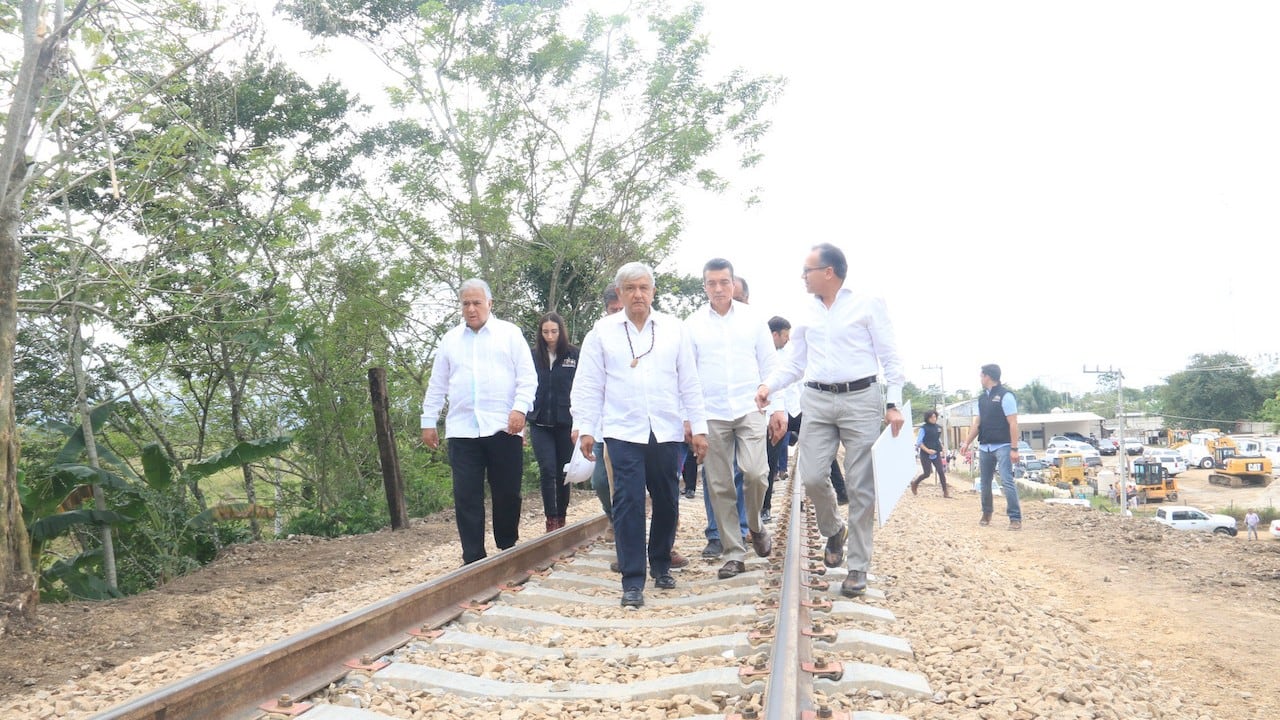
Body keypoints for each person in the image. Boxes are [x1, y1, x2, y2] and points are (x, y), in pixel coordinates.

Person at [756, 243, 905, 598]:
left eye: (807, 271)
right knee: (811, 474)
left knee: (859, 484)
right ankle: (834, 529)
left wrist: (894, 403)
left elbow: (890, 357)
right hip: (818, 399)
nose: (802, 278)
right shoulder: (806, 312)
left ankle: (857, 567)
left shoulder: (868, 304)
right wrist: (769, 385)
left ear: (828, 272)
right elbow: (794, 363)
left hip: (861, 398)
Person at [572, 262, 709, 608]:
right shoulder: (601, 333)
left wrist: (700, 428)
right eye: (630, 288)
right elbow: (588, 384)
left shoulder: (674, 329)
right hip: (622, 430)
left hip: (665, 429)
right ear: (619, 293)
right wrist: (586, 427)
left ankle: (661, 563)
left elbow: (690, 382)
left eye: (643, 288)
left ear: (652, 292)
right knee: (628, 502)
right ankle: (632, 580)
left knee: (667, 499)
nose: (637, 295)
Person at [421, 278, 537, 565]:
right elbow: (438, 383)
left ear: (490, 304)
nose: (471, 309)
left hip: (504, 427)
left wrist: (520, 409)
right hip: (463, 429)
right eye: (466, 304)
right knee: (467, 495)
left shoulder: (509, 334)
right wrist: (429, 420)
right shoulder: (450, 340)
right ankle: (473, 558)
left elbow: (527, 377)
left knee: (507, 492)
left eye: (477, 303)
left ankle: (507, 546)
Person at [685, 259, 780, 578]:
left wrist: (777, 407)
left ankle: (754, 525)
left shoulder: (753, 320)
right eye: (711, 283)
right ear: (705, 286)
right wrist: (690, 420)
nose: (718, 289)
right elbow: (687, 374)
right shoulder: (693, 323)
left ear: (732, 283)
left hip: (750, 405)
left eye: (724, 282)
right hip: (710, 413)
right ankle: (733, 553)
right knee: (719, 484)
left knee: (755, 473)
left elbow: (770, 366)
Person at [763, 315, 848, 522]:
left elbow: (804, 378)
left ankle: (842, 492)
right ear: (775, 334)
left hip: (798, 409)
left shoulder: (792, 352)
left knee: (823, 450)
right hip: (775, 412)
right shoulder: (763, 354)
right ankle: (764, 507)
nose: (788, 339)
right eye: (785, 335)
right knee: (769, 460)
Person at [529, 312, 578, 533]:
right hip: (539, 422)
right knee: (547, 469)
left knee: (563, 471)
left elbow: (583, 387)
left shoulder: (574, 355)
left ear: (561, 331)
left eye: (554, 331)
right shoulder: (532, 356)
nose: (550, 336)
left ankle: (562, 516)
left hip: (566, 422)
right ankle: (551, 518)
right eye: (545, 331)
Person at [959, 364, 1022, 530]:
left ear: (987, 376)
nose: (980, 379)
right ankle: (986, 513)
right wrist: (967, 442)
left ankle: (1015, 517)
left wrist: (1014, 448)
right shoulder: (982, 399)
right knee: (985, 482)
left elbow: (1013, 423)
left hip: (1003, 445)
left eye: (981, 376)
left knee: (1007, 480)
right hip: (985, 446)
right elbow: (977, 423)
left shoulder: (1005, 396)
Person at [910, 409, 950, 498]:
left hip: (936, 453)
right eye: (931, 417)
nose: (933, 419)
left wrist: (942, 448)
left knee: (941, 471)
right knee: (927, 473)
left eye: (935, 417)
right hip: (925, 453)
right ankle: (915, 483)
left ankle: (945, 491)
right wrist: (927, 450)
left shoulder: (938, 428)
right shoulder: (923, 428)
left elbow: (937, 439)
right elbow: (919, 442)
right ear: (927, 418)